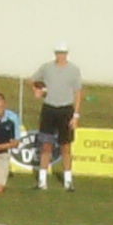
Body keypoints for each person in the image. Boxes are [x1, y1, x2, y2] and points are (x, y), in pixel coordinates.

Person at [29, 41, 82, 192]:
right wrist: (37, 90)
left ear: (67, 54)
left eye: (63, 53)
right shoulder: (47, 68)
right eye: (58, 53)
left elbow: (78, 93)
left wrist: (76, 115)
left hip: (66, 109)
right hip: (49, 108)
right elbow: (32, 80)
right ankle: (42, 181)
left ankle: (68, 181)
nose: (61, 56)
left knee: (66, 146)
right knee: (46, 145)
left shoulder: (74, 70)